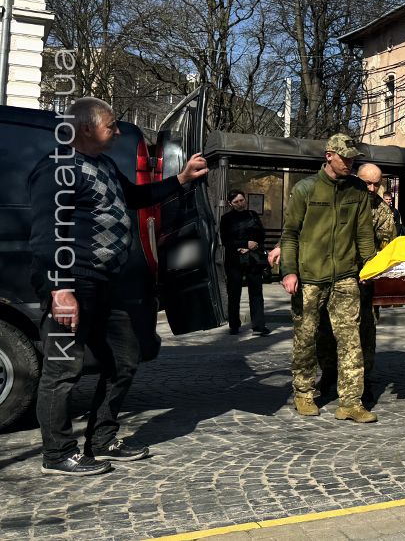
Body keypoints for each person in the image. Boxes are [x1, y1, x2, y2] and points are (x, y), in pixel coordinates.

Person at [28, 97, 209, 476]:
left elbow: (136, 198)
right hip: (73, 285)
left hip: (109, 285)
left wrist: (181, 180)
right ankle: (58, 454)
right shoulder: (56, 170)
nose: (116, 130)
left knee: (124, 359)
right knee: (62, 370)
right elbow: (46, 236)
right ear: (86, 128)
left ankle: (102, 439)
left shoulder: (105, 165)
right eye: (110, 124)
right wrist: (60, 290)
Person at [279, 134, 378, 424]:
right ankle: (304, 392)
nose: (350, 162)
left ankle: (351, 402)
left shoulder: (358, 190)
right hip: (310, 278)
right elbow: (290, 234)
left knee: (350, 340)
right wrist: (289, 270)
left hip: (346, 277)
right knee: (306, 338)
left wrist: (370, 269)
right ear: (329, 156)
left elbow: (363, 234)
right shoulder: (305, 189)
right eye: (345, 157)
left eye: (352, 158)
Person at [315, 163, 396, 399]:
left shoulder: (382, 211)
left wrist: (372, 274)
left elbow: (387, 249)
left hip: (364, 282)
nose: (371, 188)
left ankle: (362, 379)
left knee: (365, 332)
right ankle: (329, 373)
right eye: (367, 183)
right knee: (327, 329)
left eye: (377, 184)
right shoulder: (339, 200)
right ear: (354, 178)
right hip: (333, 276)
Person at [220, 190, 269, 336]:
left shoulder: (252, 215)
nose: (240, 204)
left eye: (242, 200)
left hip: (253, 258)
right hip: (234, 259)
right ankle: (234, 325)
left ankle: (259, 326)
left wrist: (252, 246)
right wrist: (244, 244)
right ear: (230, 204)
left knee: (256, 293)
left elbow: (262, 234)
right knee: (234, 293)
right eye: (236, 202)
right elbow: (226, 240)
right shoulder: (226, 218)